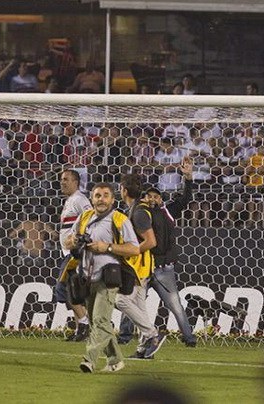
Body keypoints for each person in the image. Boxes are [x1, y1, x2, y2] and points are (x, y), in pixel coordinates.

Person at [63, 182, 140, 374]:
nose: (101, 199)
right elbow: (67, 241)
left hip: (109, 277)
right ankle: (115, 360)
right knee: (99, 321)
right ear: (92, 199)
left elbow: (134, 248)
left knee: (99, 319)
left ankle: (89, 359)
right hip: (86, 276)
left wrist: (108, 247)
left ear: (113, 200)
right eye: (98, 195)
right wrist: (73, 241)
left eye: (106, 195)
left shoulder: (119, 219)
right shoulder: (84, 217)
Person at [140, 156, 197, 346]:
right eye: (149, 196)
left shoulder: (168, 211)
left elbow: (186, 198)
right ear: (144, 198)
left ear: (161, 199)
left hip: (164, 268)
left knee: (176, 306)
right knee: (132, 303)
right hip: (143, 267)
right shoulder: (138, 213)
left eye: (156, 196)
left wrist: (187, 177)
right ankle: (124, 336)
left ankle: (189, 338)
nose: (153, 198)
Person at [115, 174, 167, 360]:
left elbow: (150, 241)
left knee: (120, 300)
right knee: (139, 307)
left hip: (138, 266)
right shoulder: (136, 209)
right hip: (139, 266)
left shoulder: (138, 212)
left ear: (125, 190)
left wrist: (130, 252)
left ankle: (153, 335)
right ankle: (143, 350)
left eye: (120, 188)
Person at [55, 169, 92, 342]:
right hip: (68, 252)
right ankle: (81, 331)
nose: (62, 182)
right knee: (75, 292)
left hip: (75, 253)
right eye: (61, 179)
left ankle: (85, 323)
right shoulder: (71, 201)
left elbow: (90, 218)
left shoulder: (79, 199)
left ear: (76, 182)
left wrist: (80, 242)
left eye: (66, 179)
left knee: (63, 288)